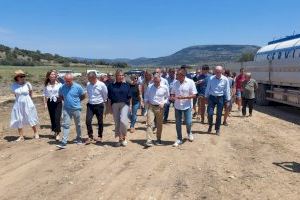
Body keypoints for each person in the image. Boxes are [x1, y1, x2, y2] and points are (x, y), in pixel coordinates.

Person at [56, 73, 86, 149]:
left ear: (72, 79)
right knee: (66, 125)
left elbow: (83, 96)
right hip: (66, 109)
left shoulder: (78, 87)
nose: (67, 82)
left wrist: (77, 102)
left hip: (77, 109)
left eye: (69, 81)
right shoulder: (62, 87)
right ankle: (64, 142)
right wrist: (66, 101)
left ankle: (79, 138)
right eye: (66, 81)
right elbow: (61, 96)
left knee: (78, 124)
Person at [170, 68, 197, 147]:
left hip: (187, 106)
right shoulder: (175, 83)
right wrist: (172, 97)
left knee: (188, 122)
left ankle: (189, 133)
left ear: (183, 75)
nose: (176, 76)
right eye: (176, 74)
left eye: (177, 75)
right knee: (178, 123)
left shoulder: (190, 82)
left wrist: (184, 97)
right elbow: (172, 94)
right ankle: (179, 139)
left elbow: (194, 95)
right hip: (177, 106)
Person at [10, 70, 39, 141]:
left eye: (24, 76)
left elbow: (31, 93)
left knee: (31, 117)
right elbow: (15, 94)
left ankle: (36, 133)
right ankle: (21, 136)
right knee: (18, 118)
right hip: (18, 103)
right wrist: (18, 101)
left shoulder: (28, 84)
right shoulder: (14, 85)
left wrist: (30, 101)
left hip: (28, 103)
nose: (23, 77)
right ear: (17, 77)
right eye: (21, 76)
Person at [107, 69, 132, 147]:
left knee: (123, 121)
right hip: (115, 105)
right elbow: (109, 98)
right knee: (117, 122)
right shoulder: (111, 85)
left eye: (122, 75)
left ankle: (124, 137)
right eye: (119, 75)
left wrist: (130, 106)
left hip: (125, 104)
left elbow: (130, 97)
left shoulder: (127, 85)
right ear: (116, 76)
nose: (120, 77)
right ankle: (120, 139)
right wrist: (109, 107)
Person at [144, 74, 169, 147]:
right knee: (149, 123)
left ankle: (158, 139)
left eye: (157, 81)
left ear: (160, 80)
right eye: (155, 81)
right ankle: (149, 140)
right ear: (153, 80)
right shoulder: (150, 87)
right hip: (151, 107)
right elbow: (146, 96)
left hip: (160, 108)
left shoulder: (165, 87)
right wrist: (146, 101)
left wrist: (163, 103)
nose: (156, 83)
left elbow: (167, 97)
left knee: (159, 124)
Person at [205, 66, 231, 135]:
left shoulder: (225, 79)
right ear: (214, 71)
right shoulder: (211, 78)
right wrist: (206, 97)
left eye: (219, 72)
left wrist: (228, 100)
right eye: (216, 72)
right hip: (211, 98)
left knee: (219, 114)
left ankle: (217, 129)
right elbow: (208, 88)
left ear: (222, 71)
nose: (218, 73)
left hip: (220, 98)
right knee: (210, 113)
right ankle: (210, 126)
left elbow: (227, 90)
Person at [85, 71, 108, 144]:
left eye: (90, 79)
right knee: (88, 121)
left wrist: (103, 102)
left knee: (100, 121)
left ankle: (100, 136)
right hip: (90, 105)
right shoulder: (88, 84)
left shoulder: (101, 85)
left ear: (94, 78)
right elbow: (88, 93)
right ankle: (90, 136)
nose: (88, 80)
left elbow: (105, 94)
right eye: (88, 78)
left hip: (99, 105)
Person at [43, 70, 62, 141]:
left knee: (57, 117)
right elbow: (44, 94)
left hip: (58, 101)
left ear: (56, 76)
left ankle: (58, 133)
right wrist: (45, 103)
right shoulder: (46, 85)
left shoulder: (59, 84)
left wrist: (63, 100)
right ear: (48, 76)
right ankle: (54, 130)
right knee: (52, 117)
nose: (53, 75)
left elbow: (62, 93)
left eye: (54, 74)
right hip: (50, 102)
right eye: (51, 74)